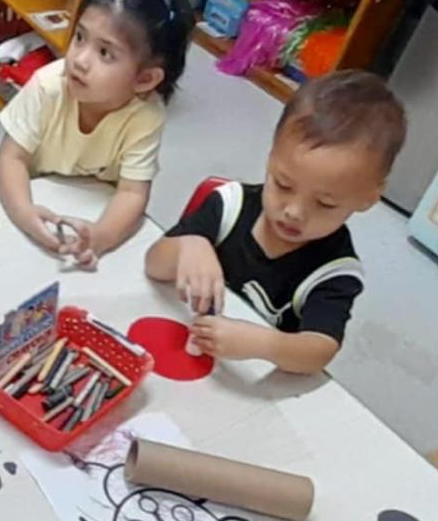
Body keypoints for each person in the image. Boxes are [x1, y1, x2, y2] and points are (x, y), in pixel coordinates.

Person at [145, 72, 407, 375]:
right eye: (283, 184)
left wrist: (264, 344)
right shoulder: (230, 205)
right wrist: (189, 245)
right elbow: (154, 265)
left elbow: (319, 352)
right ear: (271, 158)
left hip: (249, 376)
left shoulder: (334, 271)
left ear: (368, 198)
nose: (294, 212)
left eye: (325, 203)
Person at [0, 0, 194, 268]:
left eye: (105, 53)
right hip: (35, 197)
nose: (79, 60)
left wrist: (100, 238)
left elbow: (132, 193)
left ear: (144, 79)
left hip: (92, 207)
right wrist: (24, 213)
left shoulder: (146, 116)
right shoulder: (49, 86)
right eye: (79, 37)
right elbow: (11, 159)